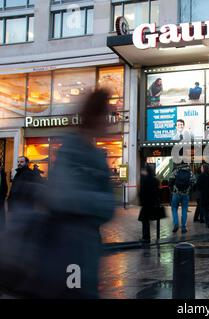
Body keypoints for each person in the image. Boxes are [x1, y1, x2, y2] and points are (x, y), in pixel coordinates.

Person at [37, 89, 116, 298]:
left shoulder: (95, 154)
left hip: (85, 247)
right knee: (74, 291)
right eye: (108, 115)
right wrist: (96, 200)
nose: (110, 122)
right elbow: (62, 197)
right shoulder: (72, 149)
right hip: (70, 247)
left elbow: (108, 207)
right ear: (97, 116)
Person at [169, 162, 195, 234]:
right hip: (186, 194)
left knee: (174, 208)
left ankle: (176, 223)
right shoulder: (190, 171)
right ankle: (183, 227)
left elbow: (170, 181)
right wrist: (189, 189)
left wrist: (172, 189)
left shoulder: (176, 170)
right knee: (184, 209)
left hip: (176, 193)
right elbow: (194, 181)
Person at [138, 165, 161, 243]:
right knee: (149, 220)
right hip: (154, 203)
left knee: (145, 221)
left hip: (146, 204)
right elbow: (158, 192)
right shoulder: (156, 180)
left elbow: (141, 193)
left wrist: (141, 202)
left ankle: (146, 237)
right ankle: (155, 236)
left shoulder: (145, 180)